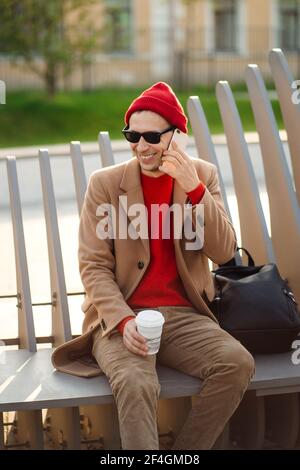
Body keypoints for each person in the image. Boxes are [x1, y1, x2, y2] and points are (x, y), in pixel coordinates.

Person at [52, 82, 255, 450]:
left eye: (151, 136)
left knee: (236, 363)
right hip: (121, 318)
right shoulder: (105, 185)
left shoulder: (202, 176)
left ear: (176, 135)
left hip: (185, 317)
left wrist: (193, 189)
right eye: (132, 134)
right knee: (137, 382)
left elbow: (224, 251)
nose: (140, 146)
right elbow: (93, 266)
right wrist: (124, 320)